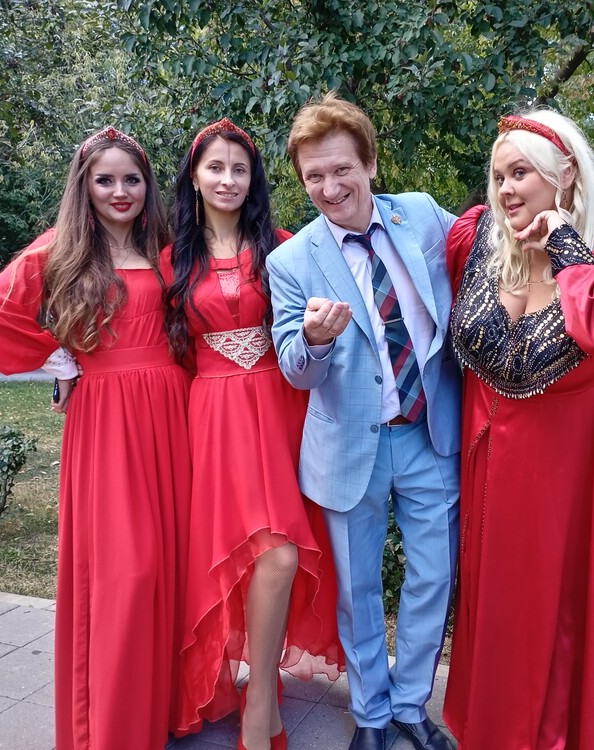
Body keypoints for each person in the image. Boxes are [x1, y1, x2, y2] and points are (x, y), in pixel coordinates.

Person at [441, 110, 594, 749]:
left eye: (520, 173)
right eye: (498, 176)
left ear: (564, 174)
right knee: (501, 616)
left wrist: (566, 239)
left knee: (560, 621)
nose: (505, 189)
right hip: (491, 478)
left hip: (569, 490)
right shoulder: (478, 240)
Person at [0, 127, 192, 750]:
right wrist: (59, 358)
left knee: (172, 561)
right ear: (84, 186)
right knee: (128, 570)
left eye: (132, 179)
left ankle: (164, 708)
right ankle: (114, 724)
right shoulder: (63, 248)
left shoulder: (166, 243)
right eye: (105, 180)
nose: (120, 191)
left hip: (172, 411)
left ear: (148, 186)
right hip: (107, 420)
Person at [265, 93, 462, 750]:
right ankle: (372, 714)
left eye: (341, 169)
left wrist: (586, 217)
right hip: (350, 448)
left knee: (433, 578)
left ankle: (410, 705)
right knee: (358, 589)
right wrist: (315, 341)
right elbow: (294, 368)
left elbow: (497, 241)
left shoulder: (424, 215)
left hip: (429, 433)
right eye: (314, 176)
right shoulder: (291, 261)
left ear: (370, 163)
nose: (329, 188)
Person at [164, 118, 343, 750]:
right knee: (252, 554)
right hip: (212, 418)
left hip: (280, 407)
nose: (228, 179)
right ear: (194, 177)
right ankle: (256, 702)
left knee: (281, 554)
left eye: (240, 169)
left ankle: (261, 694)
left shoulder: (284, 248)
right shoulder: (171, 260)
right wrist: (66, 370)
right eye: (215, 167)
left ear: (254, 179)